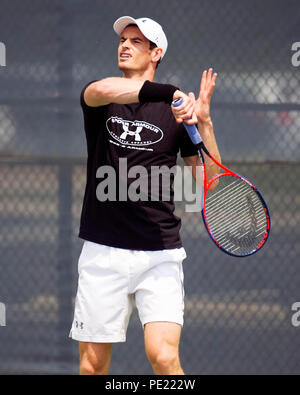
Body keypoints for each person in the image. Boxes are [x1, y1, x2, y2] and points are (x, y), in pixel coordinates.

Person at [69, 15, 221, 375]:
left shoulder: (178, 115)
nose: (124, 45)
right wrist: (172, 93)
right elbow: (101, 91)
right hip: (103, 249)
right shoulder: (100, 97)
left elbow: (209, 182)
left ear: (157, 52)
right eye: (123, 39)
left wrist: (204, 124)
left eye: (136, 41)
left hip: (160, 253)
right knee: (92, 366)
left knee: (165, 358)